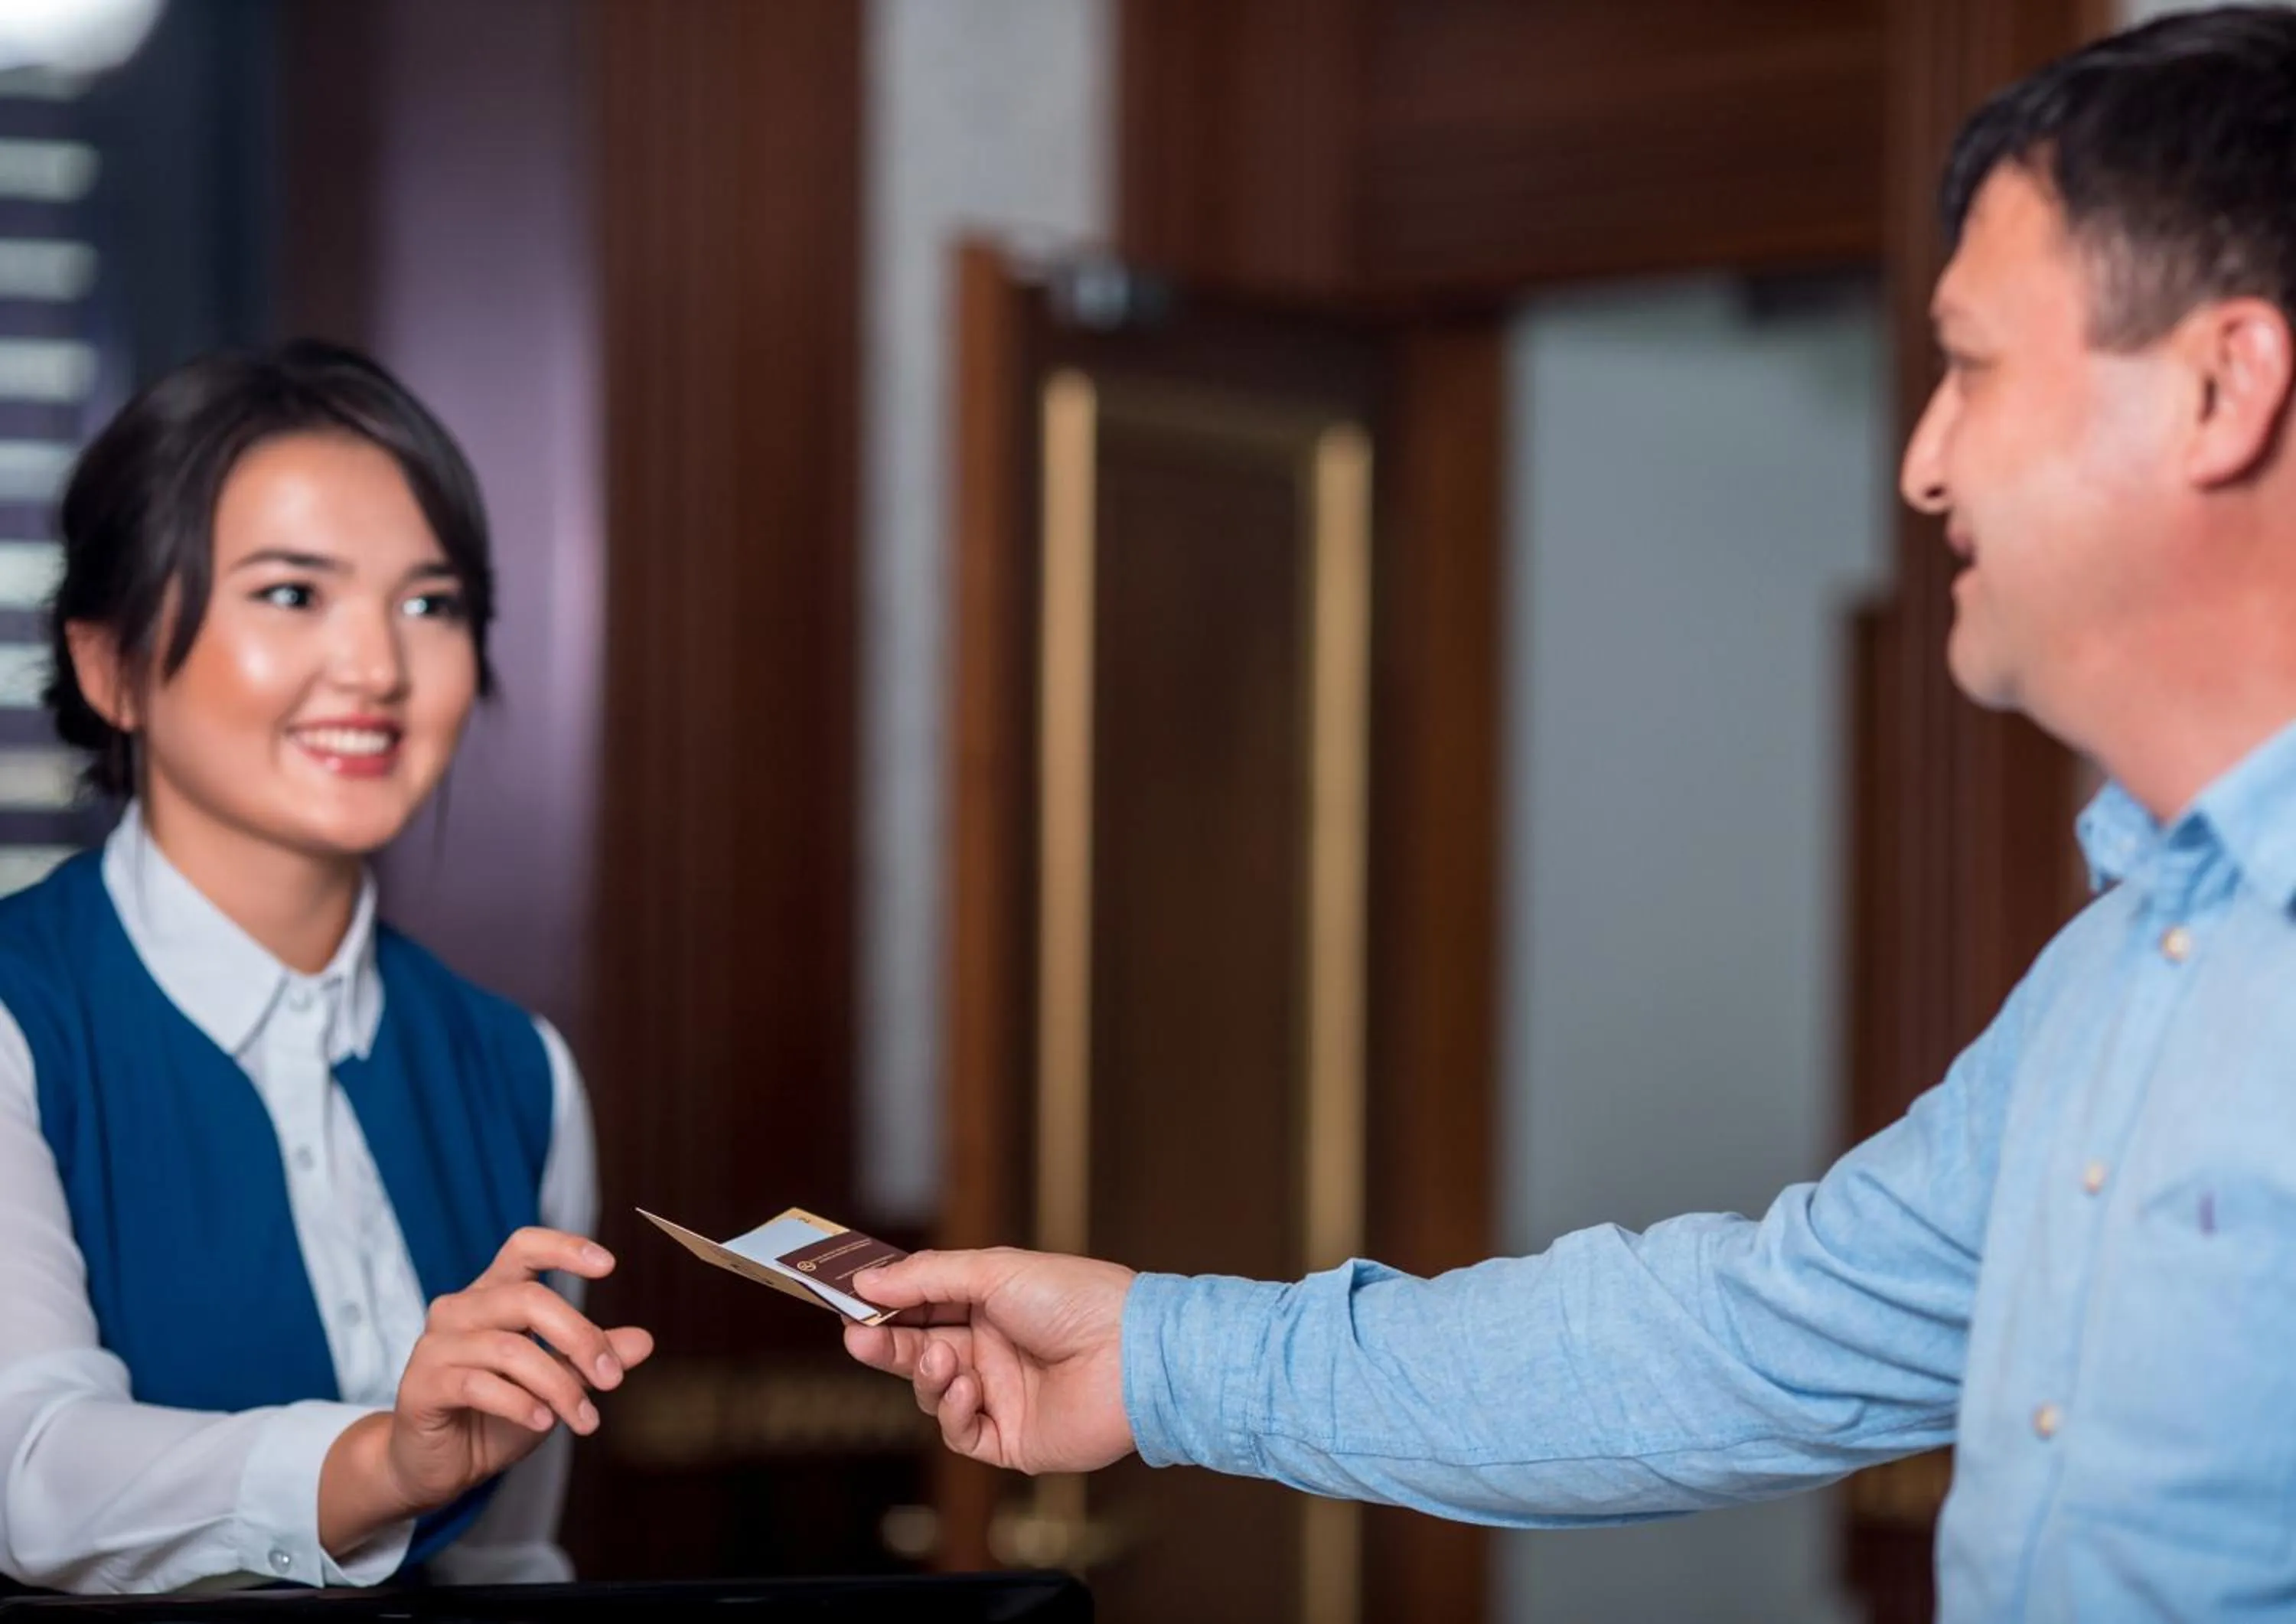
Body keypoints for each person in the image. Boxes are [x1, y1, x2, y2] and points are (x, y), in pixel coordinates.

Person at [842, 8, 2296, 1617]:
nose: (1923, 464)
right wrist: (1161, 1355)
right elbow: (1743, 1343)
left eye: (1967, 368)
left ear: (2224, 388)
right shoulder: (2118, 979)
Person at [0, 341, 652, 1593]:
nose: (376, 670)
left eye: (431, 603)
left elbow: (513, 1558)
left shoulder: (519, 1071)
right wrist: (380, 1464)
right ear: (110, 663)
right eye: (294, 594)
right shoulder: (25, 1022)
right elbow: (32, 1465)